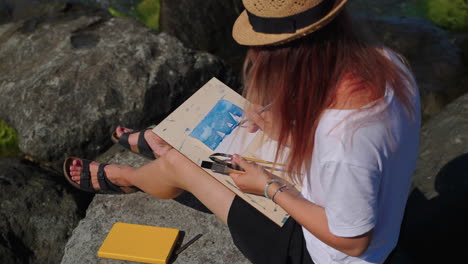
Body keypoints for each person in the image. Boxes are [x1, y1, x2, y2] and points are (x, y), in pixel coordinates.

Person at [63, 0, 421, 263]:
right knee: (241, 127)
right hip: (328, 194)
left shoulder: (343, 141)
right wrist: (281, 122)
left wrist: (270, 188)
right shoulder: (388, 64)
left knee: (177, 162)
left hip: (313, 251)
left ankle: (133, 176)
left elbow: (353, 241)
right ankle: (160, 143)